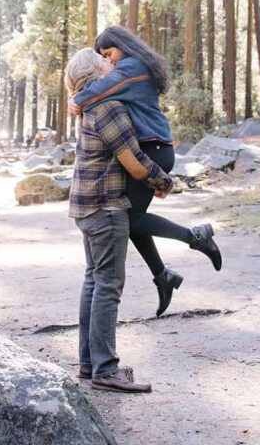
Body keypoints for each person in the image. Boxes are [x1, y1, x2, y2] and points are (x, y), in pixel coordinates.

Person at [72, 26, 222, 317]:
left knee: (126, 219)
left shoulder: (131, 67)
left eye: (109, 54)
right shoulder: (132, 64)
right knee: (129, 218)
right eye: (105, 58)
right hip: (154, 147)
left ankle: (195, 238)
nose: (109, 61)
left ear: (119, 46)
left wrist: (76, 101)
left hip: (152, 150)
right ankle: (163, 276)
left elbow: (97, 92)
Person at [67, 48, 174, 393]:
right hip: (106, 207)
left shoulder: (88, 108)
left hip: (86, 207)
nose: (112, 65)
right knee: (108, 285)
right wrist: (164, 181)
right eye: (105, 63)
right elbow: (134, 161)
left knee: (94, 282)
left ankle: (90, 363)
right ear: (97, 74)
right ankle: (106, 369)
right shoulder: (108, 107)